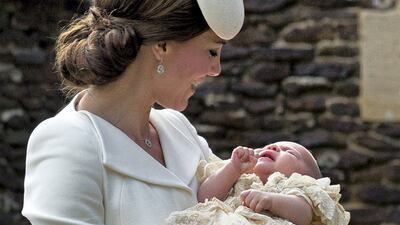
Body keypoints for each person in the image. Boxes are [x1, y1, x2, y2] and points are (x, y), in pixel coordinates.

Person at [22, 0, 245, 225]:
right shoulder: (67, 141)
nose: (216, 69)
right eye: (212, 51)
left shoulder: (179, 128)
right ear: (162, 46)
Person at [166, 141, 350, 225]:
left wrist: (271, 201)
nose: (273, 147)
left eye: (289, 152)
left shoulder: (297, 187)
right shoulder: (239, 178)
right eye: (269, 146)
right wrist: (233, 168)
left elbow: (303, 215)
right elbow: (203, 197)